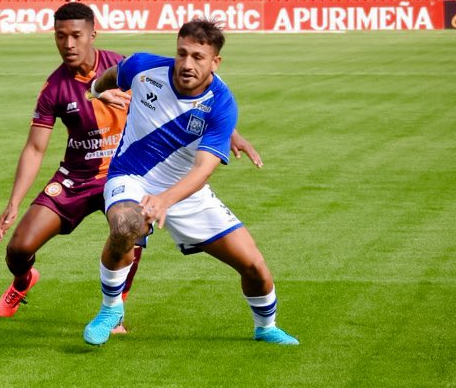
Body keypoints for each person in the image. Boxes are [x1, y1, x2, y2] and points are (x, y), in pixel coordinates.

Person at [0, 3, 261, 328]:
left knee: (129, 229)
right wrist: (14, 202)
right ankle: (23, 281)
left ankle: (115, 313)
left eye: (76, 36)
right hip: (78, 177)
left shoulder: (124, 66)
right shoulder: (55, 88)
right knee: (19, 248)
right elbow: (35, 148)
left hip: (130, 173)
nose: (68, 45)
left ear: (93, 34)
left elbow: (185, 96)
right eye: (60, 37)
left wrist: (230, 132)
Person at [81, 18, 297, 347]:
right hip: (131, 175)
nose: (186, 63)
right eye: (182, 53)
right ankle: (111, 309)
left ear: (215, 62)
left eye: (198, 56)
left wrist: (165, 200)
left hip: (186, 190)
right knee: (126, 226)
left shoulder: (222, 104)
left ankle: (266, 327)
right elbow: (113, 75)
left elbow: (202, 170)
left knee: (254, 266)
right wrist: (97, 91)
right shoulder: (142, 67)